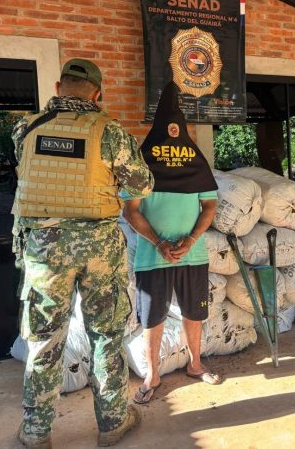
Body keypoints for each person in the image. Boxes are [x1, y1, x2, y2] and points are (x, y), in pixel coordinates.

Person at [12, 59, 154, 448]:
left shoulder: (27, 127)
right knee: (106, 335)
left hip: (44, 246)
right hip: (99, 246)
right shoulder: (110, 132)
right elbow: (142, 183)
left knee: (44, 338)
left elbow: (26, 171)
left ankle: (37, 433)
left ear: (59, 86)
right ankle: (112, 422)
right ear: (98, 92)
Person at [122, 84, 221, 405]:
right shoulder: (141, 164)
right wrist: (160, 243)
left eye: (177, 128)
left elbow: (210, 206)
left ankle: (195, 365)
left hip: (193, 256)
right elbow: (130, 210)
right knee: (153, 318)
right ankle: (152, 375)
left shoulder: (197, 164)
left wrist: (190, 240)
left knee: (195, 313)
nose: (173, 135)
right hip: (154, 257)